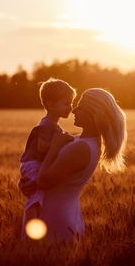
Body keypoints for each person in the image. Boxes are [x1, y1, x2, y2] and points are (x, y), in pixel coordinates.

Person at [19, 88, 127, 243]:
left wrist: (54, 147)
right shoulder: (79, 141)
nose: (74, 110)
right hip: (55, 214)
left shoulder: (82, 148)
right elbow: (43, 169)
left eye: (80, 107)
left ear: (92, 116)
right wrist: (25, 182)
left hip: (55, 220)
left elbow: (43, 181)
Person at [19, 78, 76, 239]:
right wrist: (61, 141)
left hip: (37, 164)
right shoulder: (46, 125)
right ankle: (30, 227)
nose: (70, 108)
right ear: (51, 105)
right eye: (66, 104)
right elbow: (42, 147)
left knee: (39, 197)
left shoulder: (54, 125)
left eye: (71, 103)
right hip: (33, 164)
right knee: (35, 196)